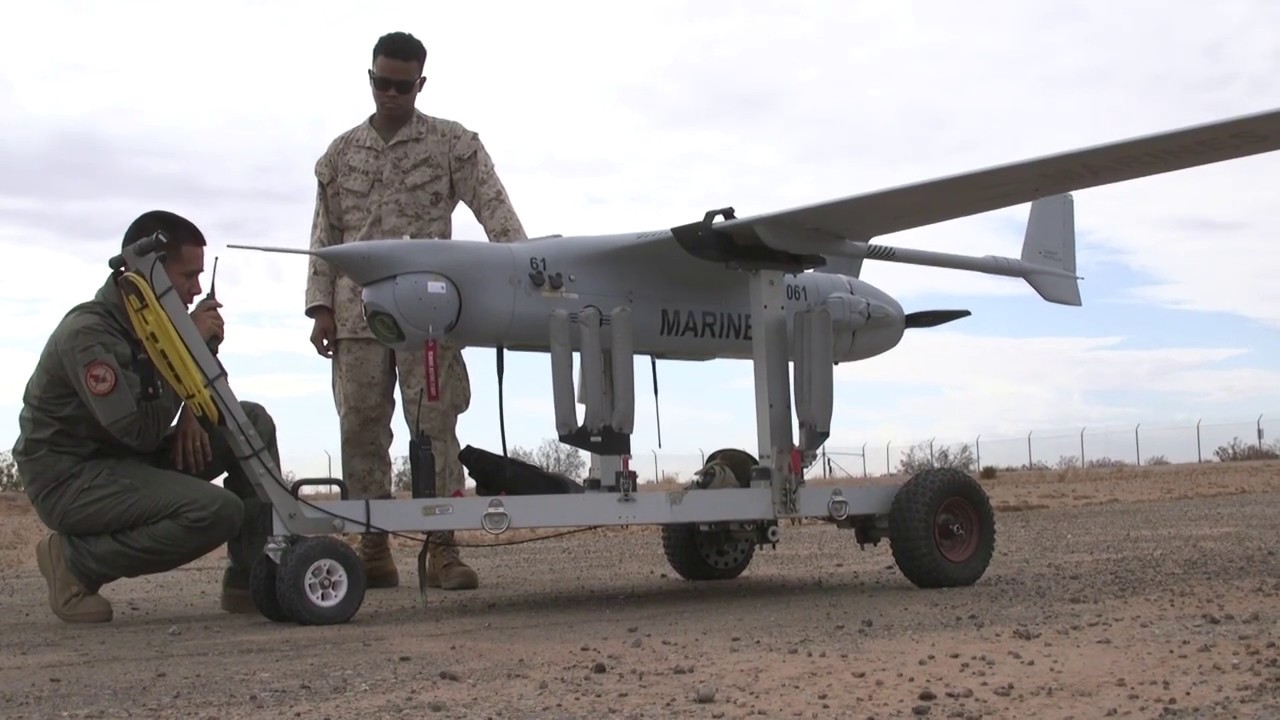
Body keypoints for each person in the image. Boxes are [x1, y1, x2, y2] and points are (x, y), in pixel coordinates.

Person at [304, 31, 527, 591]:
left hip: (428, 319)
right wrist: (319, 308)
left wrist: (523, 274)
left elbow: (497, 215)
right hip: (357, 322)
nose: (392, 94)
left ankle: (441, 548)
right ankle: (373, 545)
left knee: (433, 428)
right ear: (371, 78)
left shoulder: (453, 145)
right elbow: (324, 236)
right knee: (360, 430)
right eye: (383, 82)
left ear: (420, 83)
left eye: (403, 85)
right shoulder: (339, 155)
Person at [12, 210, 280, 623]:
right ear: (151, 270)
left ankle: (250, 576)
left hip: (124, 460)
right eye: (187, 277)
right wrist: (186, 349)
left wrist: (195, 400)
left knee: (251, 424)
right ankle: (74, 562)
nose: (194, 291)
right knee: (219, 511)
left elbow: (185, 397)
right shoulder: (90, 334)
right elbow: (136, 430)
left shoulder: (155, 322)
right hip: (72, 477)